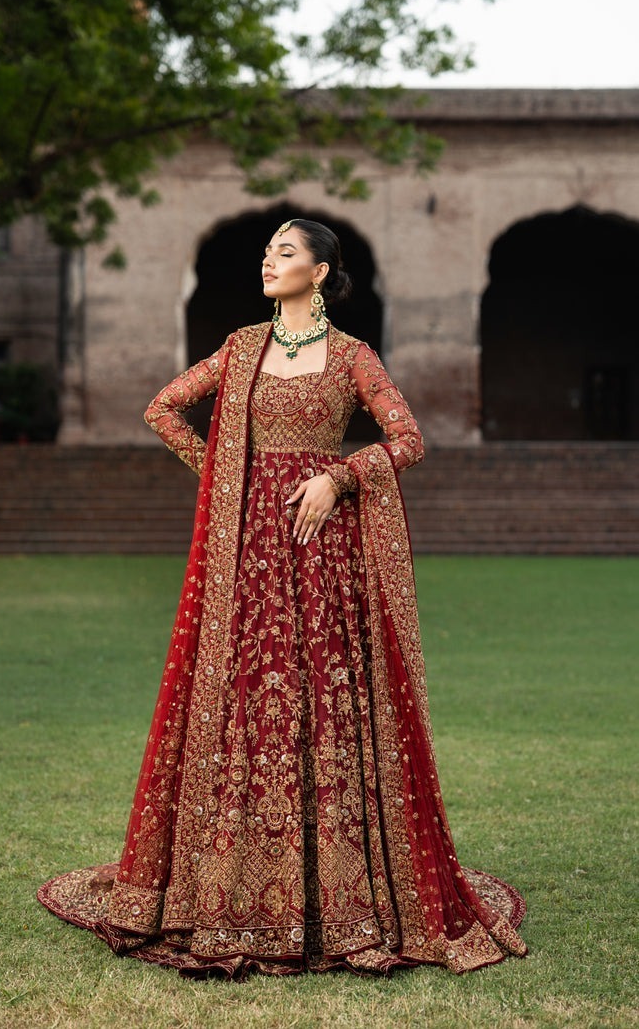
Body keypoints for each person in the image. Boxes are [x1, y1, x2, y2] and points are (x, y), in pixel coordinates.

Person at [38, 218, 527, 977]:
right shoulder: (239, 349)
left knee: (324, 698)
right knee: (244, 700)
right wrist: (224, 475)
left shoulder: (354, 358)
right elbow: (161, 408)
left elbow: (408, 440)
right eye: (268, 252)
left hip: (322, 554)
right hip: (245, 553)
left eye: (287, 252)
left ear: (323, 272)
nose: (270, 261)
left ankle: (336, 894)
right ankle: (229, 892)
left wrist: (338, 477)